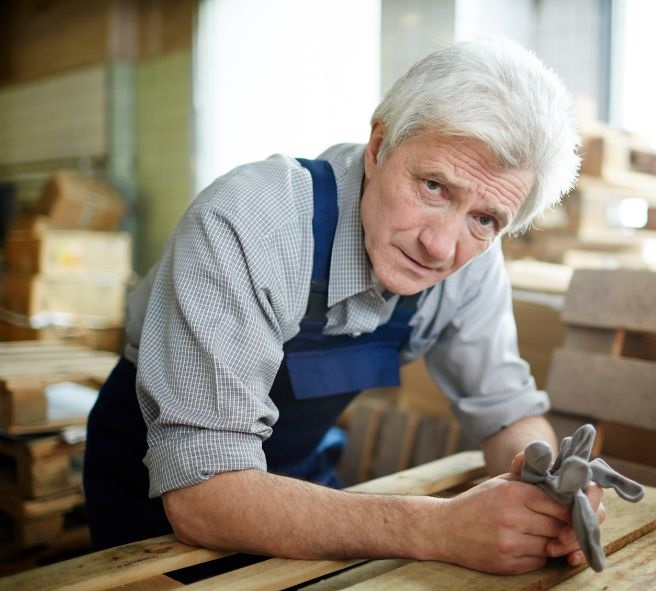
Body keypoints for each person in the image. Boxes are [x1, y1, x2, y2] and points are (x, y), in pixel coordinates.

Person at [83, 37, 605, 575]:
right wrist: (437, 527)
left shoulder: (471, 264)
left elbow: (507, 413)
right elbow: (203, 497)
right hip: (159, 509)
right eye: (433, 186)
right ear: (379, 146)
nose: (441, 247)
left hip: (301, 489)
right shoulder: (250, 222)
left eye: (485, 219)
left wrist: (548, 489)